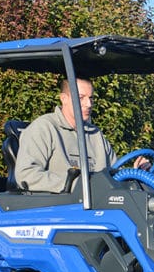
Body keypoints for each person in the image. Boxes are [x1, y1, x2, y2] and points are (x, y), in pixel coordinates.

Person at [15, 77, 146, 193]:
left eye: (91, 98)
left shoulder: (96, 134)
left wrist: (134, 173)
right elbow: (26, 175)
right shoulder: (44, 128)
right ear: (64, 99)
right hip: (59, 207)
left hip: (97, 206)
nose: (88, 104)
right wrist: (76, 185)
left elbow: (114, 173)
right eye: (81, 98)